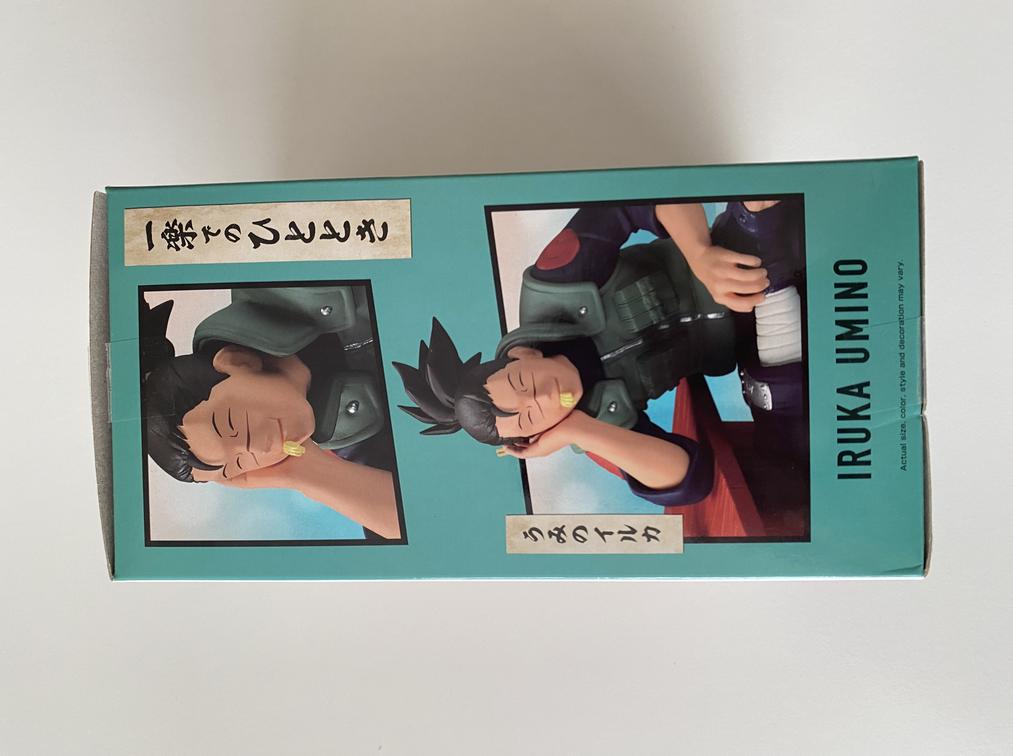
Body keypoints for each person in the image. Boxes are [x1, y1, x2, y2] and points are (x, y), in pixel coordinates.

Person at [395, 199, 806, 507]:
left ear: (519, 356)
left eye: (523, 382)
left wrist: (700, 255)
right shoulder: (593, 428)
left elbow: (637, 197)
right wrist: (579, 431)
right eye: (532, 416)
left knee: (762, 207)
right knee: (790, 447)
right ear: (537, 436)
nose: (545, 396)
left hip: (738, 256)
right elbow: (689, 480)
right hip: (757, 350)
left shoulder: (555, 283)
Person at [142, 286, 402, 540]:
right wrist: (302, 473)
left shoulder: (284, 281)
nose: (261, 448)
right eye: (240, 464)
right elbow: (418, 525)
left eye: (232, 424)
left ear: (235, 361)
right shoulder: (346, 439)